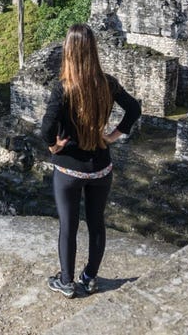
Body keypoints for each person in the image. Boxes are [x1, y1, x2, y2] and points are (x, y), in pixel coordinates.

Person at [41, 24, 141, 298]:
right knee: (96, 224)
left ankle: (66, 282)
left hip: (69, 169)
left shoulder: (64, 88)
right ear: (93, 50)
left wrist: (54, 145)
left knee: (68, 226)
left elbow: (46, 127)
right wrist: (112, 136)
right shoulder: (107, 83)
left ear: (69, 51)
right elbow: (134, 108)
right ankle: (89, 277)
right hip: (100, 167)